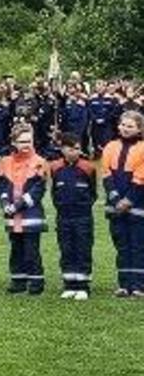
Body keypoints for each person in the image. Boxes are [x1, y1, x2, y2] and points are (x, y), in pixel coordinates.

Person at [0, 125, 49, 294]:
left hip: (31, 214)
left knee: (31, 249)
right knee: (16, 248)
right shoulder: (5, 162)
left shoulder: (40, 162)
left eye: (29, 141)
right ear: (14, 143)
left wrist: (17, 206)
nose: (26, 145)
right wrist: (5, 203)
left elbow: (38, 190)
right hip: (12, 215)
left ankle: (36, 282)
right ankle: (18, 281)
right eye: (22, 141)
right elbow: (1, 186)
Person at [101, 110, 144, 297]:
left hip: (138, 204)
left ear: (139, 129)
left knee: (138, 245)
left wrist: (129, 199)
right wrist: (115, 198)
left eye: (130, 126)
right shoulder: (110, 146)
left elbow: (141, 177)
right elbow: (106, 174)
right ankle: (124, 285)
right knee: (122, 245)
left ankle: (139, 286)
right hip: (116, 204)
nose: (125, 129)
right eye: (123, 125)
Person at [50, 134, 97, 300]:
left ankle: (83, 286)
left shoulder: (88, 168)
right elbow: (54, 192)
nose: (74, 152)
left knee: (82, 249)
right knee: (66, 249)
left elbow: (93, 193)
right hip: (63, 217)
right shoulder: (55, 167)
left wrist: (83, 206)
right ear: (62, 149)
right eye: (71, 148)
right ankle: (69, 284)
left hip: (83, 217)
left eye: (77, 148)